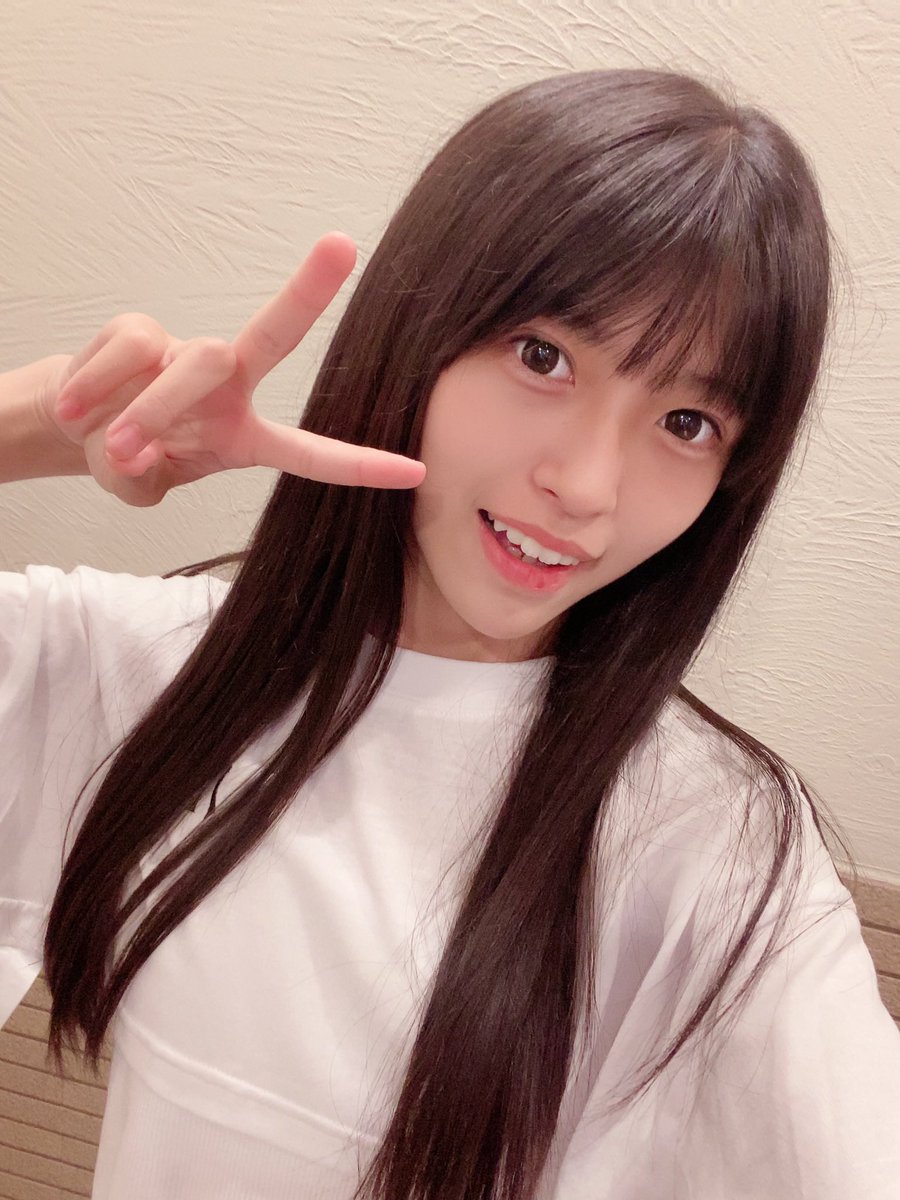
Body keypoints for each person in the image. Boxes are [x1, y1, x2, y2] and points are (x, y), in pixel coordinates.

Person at [1, 67, 898, 1200]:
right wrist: (47, 420)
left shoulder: (713, 848)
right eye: (543, 357)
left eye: (686, 421)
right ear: (415, 333)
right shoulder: (141, 668)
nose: (585, 486)